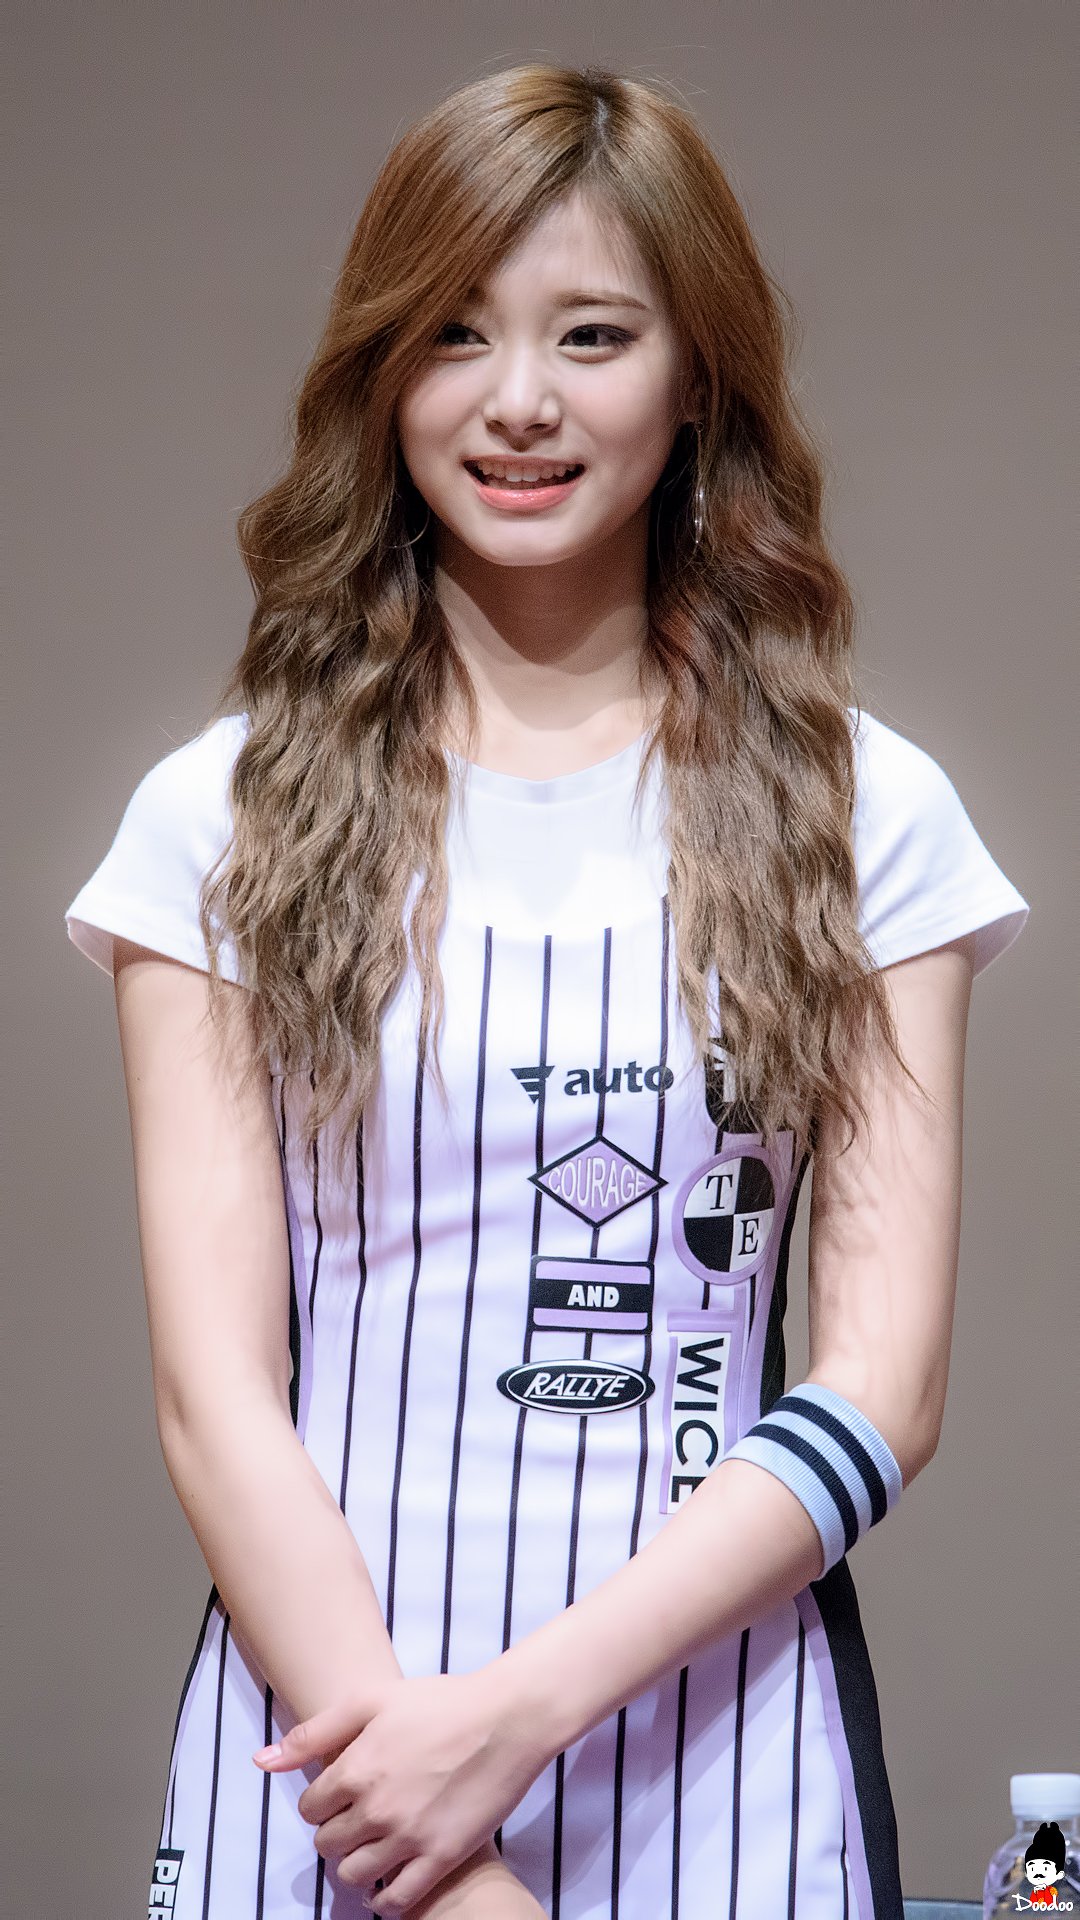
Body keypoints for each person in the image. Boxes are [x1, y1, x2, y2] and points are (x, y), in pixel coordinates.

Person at [63, 61, 1030, 1920]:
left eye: (593, 334)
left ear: (698, 379)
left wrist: (510, 1723)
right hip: (329, 1786)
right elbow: (215, 1400)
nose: (520, 400)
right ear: (383, 374)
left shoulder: (870, 812)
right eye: (454, 332)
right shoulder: (216, 816)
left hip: (730, 1783)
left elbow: (884, 1389)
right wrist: (431, 1834)